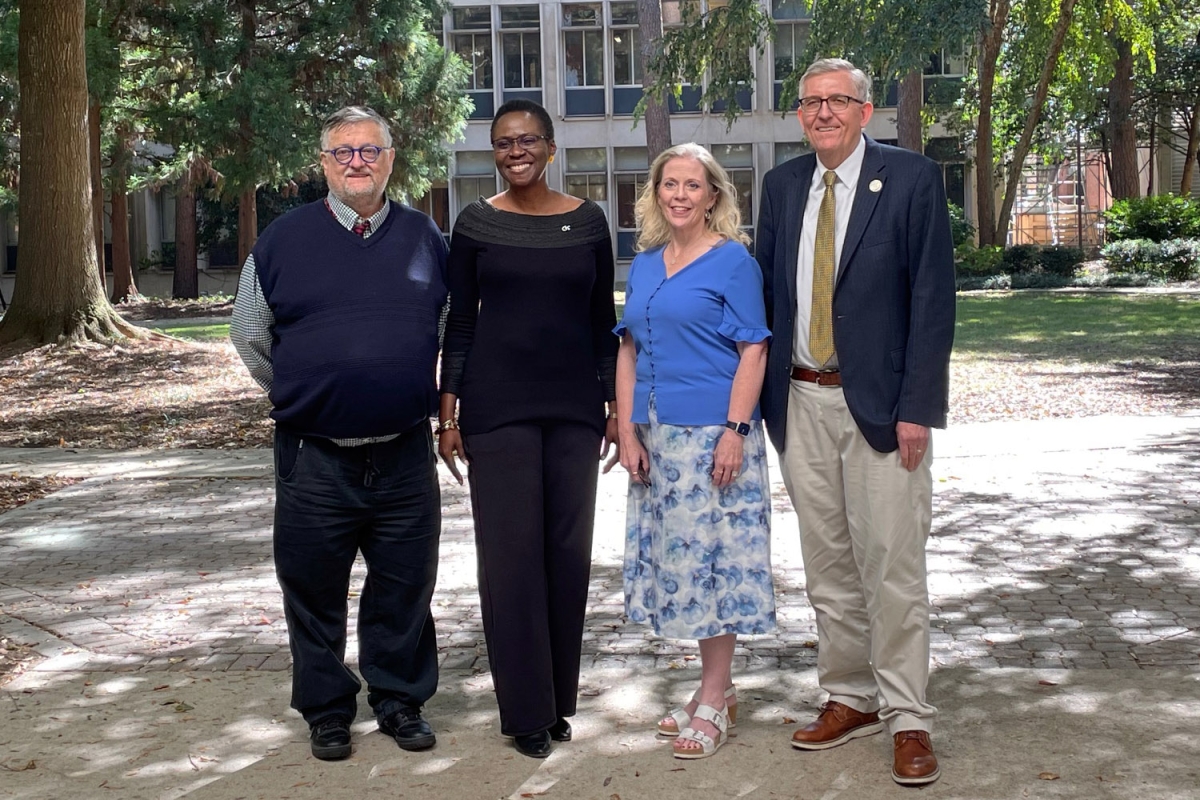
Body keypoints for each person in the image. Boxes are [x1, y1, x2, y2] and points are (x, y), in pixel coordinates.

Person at [755, 58, 956, 785]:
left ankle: (909, 717)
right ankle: (850, 696)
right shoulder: (780, 188)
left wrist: (917, 409)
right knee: (828, 567)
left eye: (838, 101)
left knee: (893, 567)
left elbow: (933, 301)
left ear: (865, 111)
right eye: (811, 103)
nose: (823, 113)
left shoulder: (910, 180)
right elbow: (768, 303)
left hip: (881, 409)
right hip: (800, 402)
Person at [230, 105, 446, 761]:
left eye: (370, 150)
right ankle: (326, 711)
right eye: (343, 151)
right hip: (312, 457)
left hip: (405, 452)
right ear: (323, 163)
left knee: (404, 586)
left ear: (390, 159)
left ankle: (399, 700)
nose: (357, 161)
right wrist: (308, 392)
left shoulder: (426, 238)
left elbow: (442, 328)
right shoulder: (281, 242)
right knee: (313, 591)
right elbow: (249, 336)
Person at [437, 98, 619, 759]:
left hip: (575, 409)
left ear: (549, 148)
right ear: (495, 152)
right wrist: (448, 410)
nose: (516, 151)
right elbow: (460, 321)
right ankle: (524, 713)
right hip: (496, 409)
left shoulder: (590, 221)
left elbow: (604, 322)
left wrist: (615, 407)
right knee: (512, 560)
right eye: (503, 142)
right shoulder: (476, 223)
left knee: (567, 558)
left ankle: (555, 701)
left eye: (527, 140)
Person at [615, 142, 775, 761]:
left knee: (716, 567)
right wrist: (628, 429)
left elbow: (753, 351)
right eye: (669, 184)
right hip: (659, 438)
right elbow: (628, 350)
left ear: (714, 195)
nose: (679, 195)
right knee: (681, 567)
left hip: (715, 439)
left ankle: (714, 695)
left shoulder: (733, 262)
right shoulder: (648, 262)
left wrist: (735, 429)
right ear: (656, 193)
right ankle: (715, 689)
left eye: (692, 185)